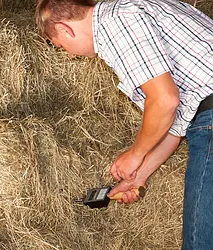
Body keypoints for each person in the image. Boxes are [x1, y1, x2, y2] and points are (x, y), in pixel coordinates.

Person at [35, 0, 213, 249]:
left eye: (61, 47)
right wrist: (138, 176)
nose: (70, 54)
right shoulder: (138, 9)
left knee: (201, 241)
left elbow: (164, 101)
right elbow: (175, 122)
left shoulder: (115, 22)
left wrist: (135, 153)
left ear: (65, 29)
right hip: (205, 116)